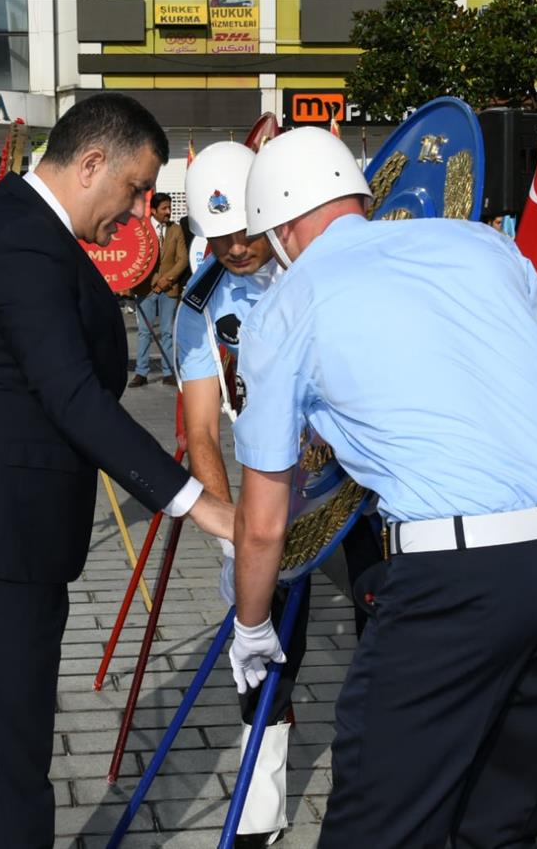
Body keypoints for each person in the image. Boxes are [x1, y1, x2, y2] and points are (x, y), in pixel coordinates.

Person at [228, 127, 537, 848]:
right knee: (498, 817)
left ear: (280, 229)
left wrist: (252, 628)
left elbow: (263, 521)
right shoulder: (480, 244)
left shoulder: (290, 304)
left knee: (378, 818)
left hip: (461, 576)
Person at [0, 92, 234, 848]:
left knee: (16, 755)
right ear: (89, 163)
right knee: (15, 767)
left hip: (0, 529)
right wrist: (200, 503)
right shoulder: (23, 240)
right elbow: (74, 395)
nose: (142, 209)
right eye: (137, 188)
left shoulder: (19, 225)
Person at [174, 141, 295, 847]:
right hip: (274, 491)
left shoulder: (307, 262)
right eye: (220, 239)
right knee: (263, 651)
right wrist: (228, 538)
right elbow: (201, 430)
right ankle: (262, 814)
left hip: (360, 482)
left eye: (247, 231)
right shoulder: (200, 304)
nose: (239, 248)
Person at [127, 192, 185, 386]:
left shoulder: (176, 230)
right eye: (164, 208)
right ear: (153, 210)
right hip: (146, 289)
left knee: (167, 332)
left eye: (169, 208)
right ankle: (141, 373)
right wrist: (153, 281)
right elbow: (135, 256)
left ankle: (169, 371)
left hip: (169, 289)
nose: (168, 212)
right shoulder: (141, 229)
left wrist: (166, 280)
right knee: (144, 332)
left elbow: (182, 259)